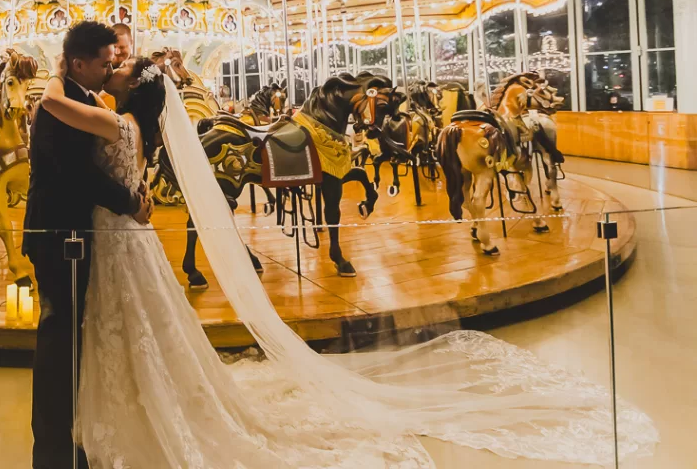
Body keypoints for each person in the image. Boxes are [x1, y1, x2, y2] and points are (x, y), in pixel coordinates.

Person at [37, 60, 657, 468]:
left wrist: (58, 81)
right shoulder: (126, 122)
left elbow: (64, 114)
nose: (114, 68)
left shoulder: (117, 121)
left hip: (119, 239)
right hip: (124, 239)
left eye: (120, 67)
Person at [23, 21, 152, 469]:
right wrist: (130, 203)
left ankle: (68, 436)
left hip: (75, 233)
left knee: (70, 335)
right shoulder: (67, 103)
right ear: (80, 63)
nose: (109, 68)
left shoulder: (80, 97)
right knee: (60, 336)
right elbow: (78, 175)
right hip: (61, 233)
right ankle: (53, 452)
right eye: (103, 62)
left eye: (116, 63)